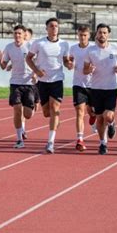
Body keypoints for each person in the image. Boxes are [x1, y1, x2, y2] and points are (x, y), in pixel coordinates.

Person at [26, 17, 72, 154]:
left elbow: (65, 60)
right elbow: (28, 58)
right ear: (46, 29)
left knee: (54, 108)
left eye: (56, 26)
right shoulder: (39, 43)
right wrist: (37, 71)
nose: (54, 28)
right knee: (47, 112)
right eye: (51, 26)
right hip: (43, 82)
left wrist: (69, 64)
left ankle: (50, 142)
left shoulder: (64, 44)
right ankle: (55, 118)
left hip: (57, 80)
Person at [83, 23, 117, 155]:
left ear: (108, 34)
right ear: (96, 34)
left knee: (107, 116)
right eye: (100, 32)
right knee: (100, 118)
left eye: (104, 32)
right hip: (96, 88)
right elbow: (84, 70)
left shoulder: (115, 48)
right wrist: (89, 69)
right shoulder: (90, 51)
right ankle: (103, 143)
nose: (102, 35)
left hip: (111, 87)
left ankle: (112, 123)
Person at [0, 24, 35, 149]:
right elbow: (4, 66)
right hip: (15, 83)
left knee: (28, 114)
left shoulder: (30, 47)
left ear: (24, 35)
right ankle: (19, 139)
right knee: (17, 109)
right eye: (15, 33)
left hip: (29, 83)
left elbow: (39, 63)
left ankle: (25, 119)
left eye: (19, 33)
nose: (17, 36)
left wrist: (35, 74)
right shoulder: (9, 47)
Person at [69, 25, 96, 151]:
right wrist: (68, 64)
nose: (82, 37)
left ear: (89, 36)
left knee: (92, 111)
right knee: (80, 111)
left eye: (85, 35)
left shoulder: (94, 49)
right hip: (78, 84)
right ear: (77, 35)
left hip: (94, 85)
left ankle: (93, 115)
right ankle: (80, 139)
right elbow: (69, 60)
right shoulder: (73, 48)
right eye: (80, 35)